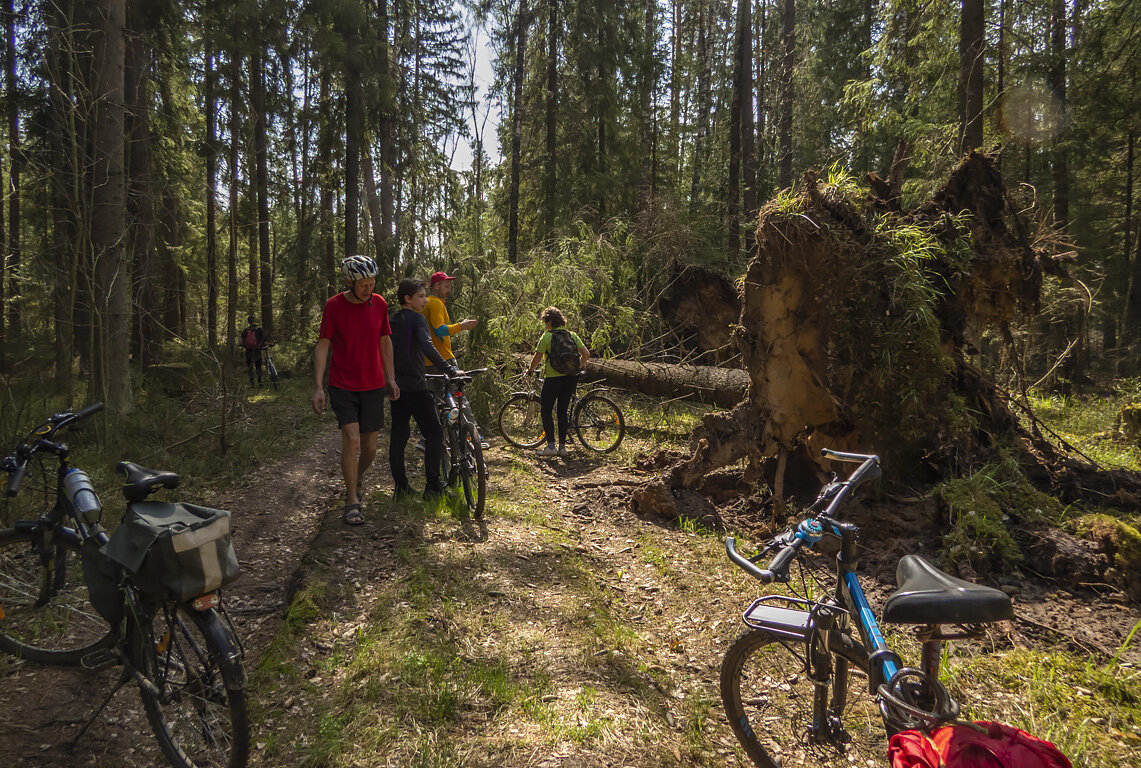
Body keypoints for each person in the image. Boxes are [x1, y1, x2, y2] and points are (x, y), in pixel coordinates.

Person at [311, 256, 400, 525]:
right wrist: (318, 386)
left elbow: (385, 342)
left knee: (370, 448)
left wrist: (391, 378)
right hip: (342, 384)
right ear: (350, 283)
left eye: (372, 283)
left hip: (373, 385)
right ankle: (352, 500)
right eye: (363, 284)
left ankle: (357, 476)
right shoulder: (334, 306)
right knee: (352, 441)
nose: (368, 288)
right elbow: (323, 345)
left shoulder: (380, 303)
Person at [389, 278, 458, 501]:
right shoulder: (417, 319)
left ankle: (401, 487)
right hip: (417, 386)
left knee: (399, 436)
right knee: (435, 432)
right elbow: (427, 345)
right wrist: (449, 368)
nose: (425, 300)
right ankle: (433, 486)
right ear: (407, 299)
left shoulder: (392, 320)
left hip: (396, 387)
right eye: (420, 296)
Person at [420, 270, 487, 448]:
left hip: (428, 361)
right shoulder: (435, 303)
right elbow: (439, 330)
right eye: (446, 286)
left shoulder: (427, 303)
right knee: (459, 398)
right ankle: (475, 436)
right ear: (437, 286)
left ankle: (433, 439)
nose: (449, 289)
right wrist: (462, 326)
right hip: (444, 360)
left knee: (436, 402)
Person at [525, 307, 590, 457]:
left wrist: (530, 370)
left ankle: (550, 447)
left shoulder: (547, 336)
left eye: (545, 321)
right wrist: (575, 367)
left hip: (553, 379)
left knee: (546, 410)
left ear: (549, 321)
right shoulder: (572, 335)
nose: (545, 324)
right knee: (563, 412)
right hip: (570, 379)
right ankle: (562, 448)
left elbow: (537, 358)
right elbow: (586, 354)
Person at [240, 315, 266, 386]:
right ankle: (260, 383)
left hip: (248, 351)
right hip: (257, 350)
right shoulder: (259, 329)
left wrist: (244, 346)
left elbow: (241, 342)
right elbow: (264, 340)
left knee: (250, 367)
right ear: (254, 320)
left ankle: (252, 384)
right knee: (258, 366)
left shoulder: (245, 330)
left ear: (248, 321)